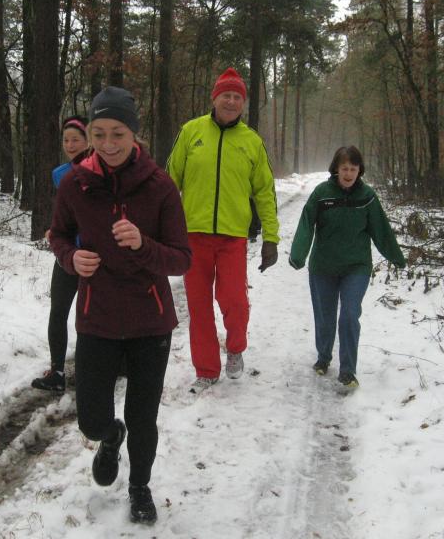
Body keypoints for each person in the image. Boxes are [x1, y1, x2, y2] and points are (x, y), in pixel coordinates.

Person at [49, 86, 191, 524]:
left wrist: (143, 245)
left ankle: (140, 487)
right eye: (99, 134)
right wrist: (71, 257)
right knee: (91, 420)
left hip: (151, 321)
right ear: (89, 134)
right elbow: (57, 234)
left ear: (134, 134)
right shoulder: (75, 183)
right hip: (98, 318)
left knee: (143, 417)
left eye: (118, 134)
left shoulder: (160, 186)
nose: (108, 144)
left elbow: (181, 258)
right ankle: (110, 437)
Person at [166, 67, 279, 392]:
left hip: (232, 238)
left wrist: (271, 237)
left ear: (243, 103)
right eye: (225, 95)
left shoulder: (251, 142)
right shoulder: (191, 132)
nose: (231, 101)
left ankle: (236, 347)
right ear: (214, 98)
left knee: (234, 301)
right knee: (199, 307)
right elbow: (169, 181)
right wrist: (162, 224)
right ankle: (206, 369)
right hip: (193, 236)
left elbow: (265, 192)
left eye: (237, 97)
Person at [288, 145, 406, 389]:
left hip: (356, 267)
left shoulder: (367, 197)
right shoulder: (322, 193)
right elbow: (307, 223)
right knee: (325, 317)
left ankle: (348, 371)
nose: (349, 173)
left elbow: (381, 230)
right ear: (336, 169)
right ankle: (323, 357)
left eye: (353, 168)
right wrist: (298, 254)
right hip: (323, 266)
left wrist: (395, 256)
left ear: (360, 170)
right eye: (344, 168)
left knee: (350, 315)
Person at [32, 115, 90, 393]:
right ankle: (56, 371)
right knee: (58, 312)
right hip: (66, 256)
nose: (70, 144)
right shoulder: (60, 174)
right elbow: (63, 213)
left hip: (92, 256)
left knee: (91, 316)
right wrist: (54, 231)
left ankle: (100, 367)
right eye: (66, 140)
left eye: (76, 139)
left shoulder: (99, 170)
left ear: (88, 141)